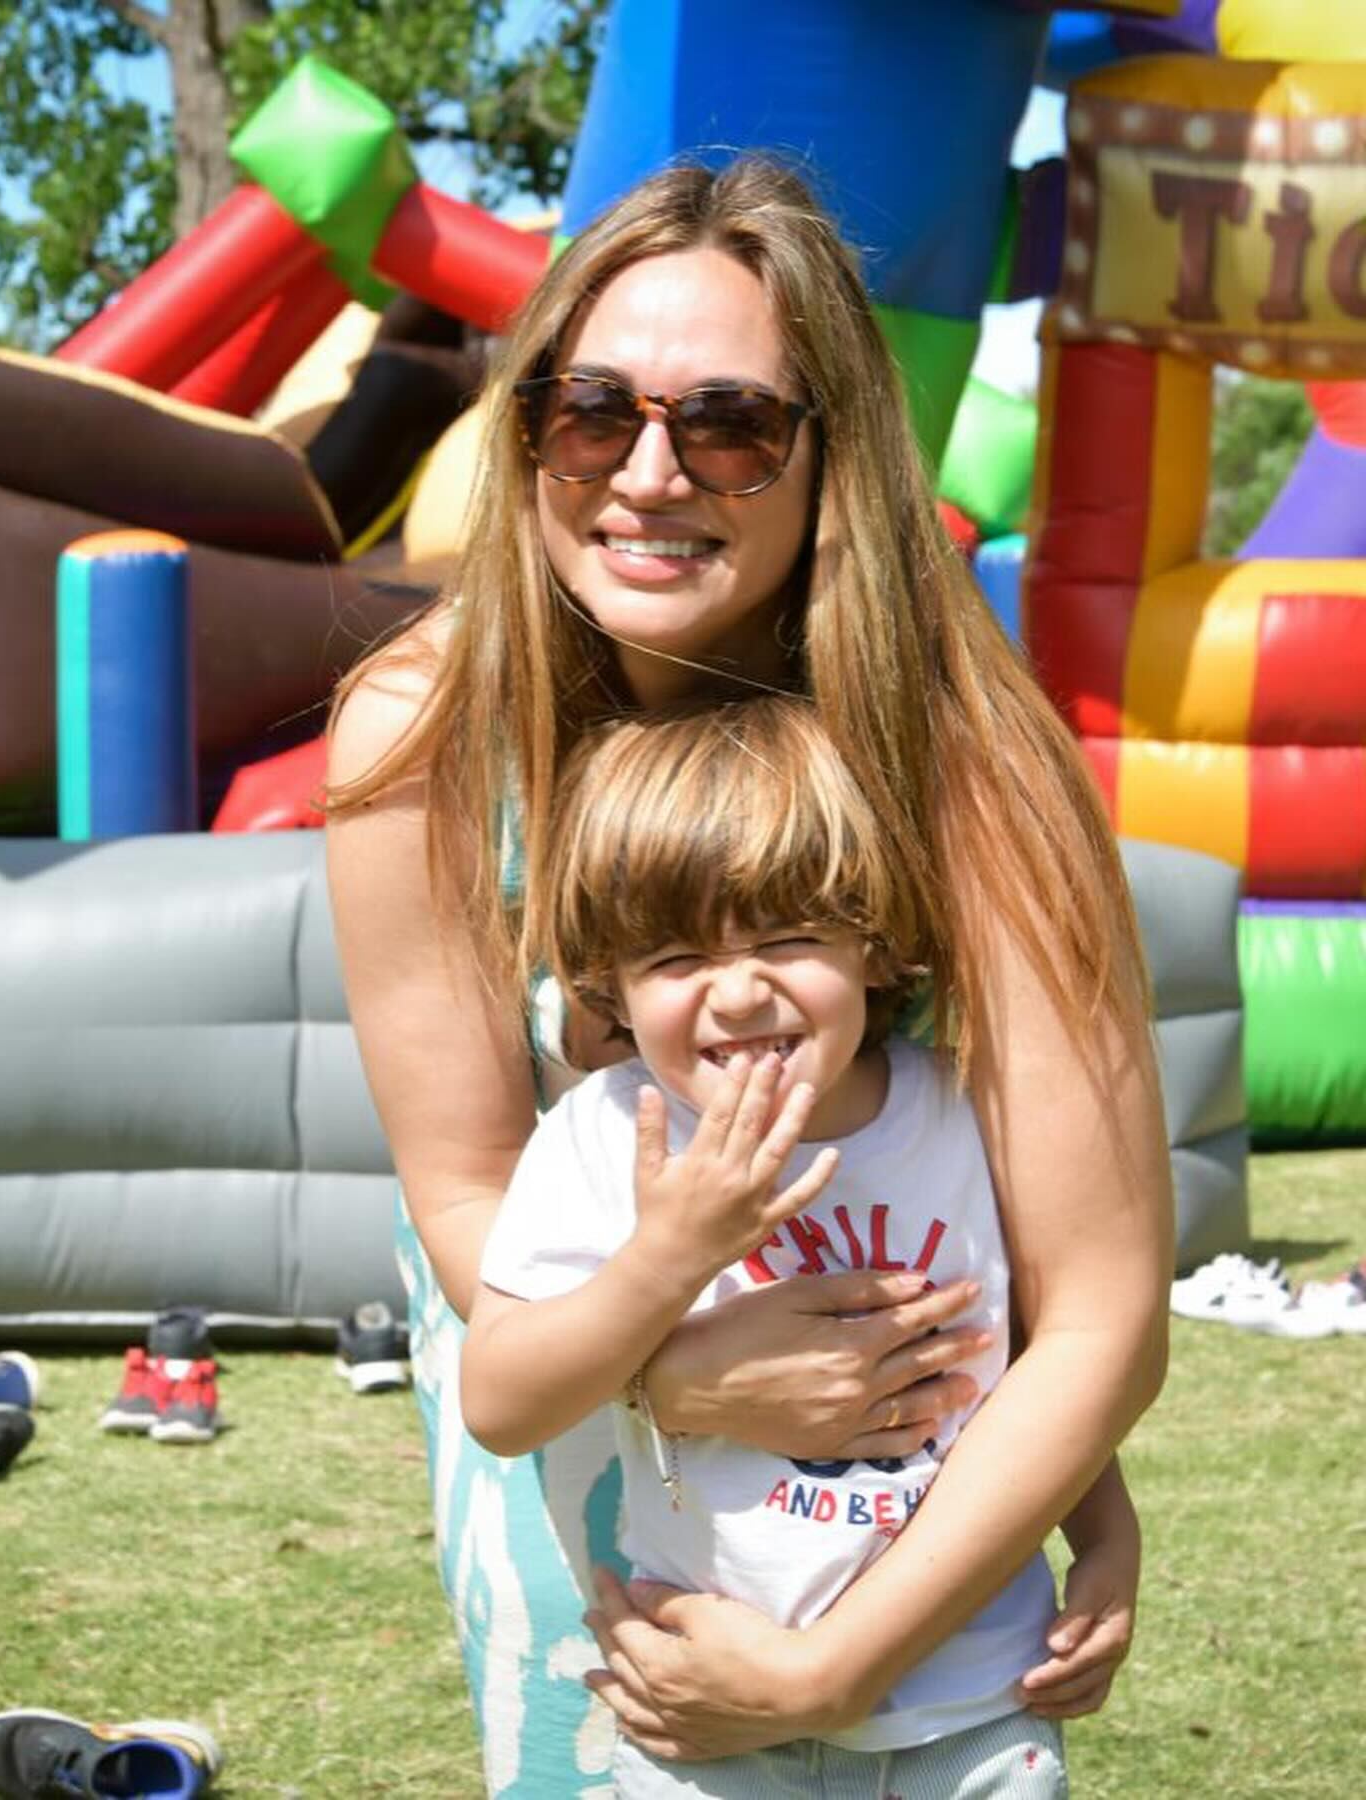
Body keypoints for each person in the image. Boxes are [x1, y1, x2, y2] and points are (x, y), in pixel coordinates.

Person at [325, 155, 1171, 1794]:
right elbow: (469, 1202)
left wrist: (831, 1668)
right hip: (580, 1476)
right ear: (529, 436)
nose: (649, 472)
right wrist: (675, 1366)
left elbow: (1105, 1295)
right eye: (591, 413)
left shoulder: (968, 762)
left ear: (826, 455)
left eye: (729, 424)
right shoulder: (418, 744)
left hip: (912, 1543)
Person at [462, 696, 1079, 1795]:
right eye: (673, 956)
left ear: (877, 945)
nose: (741, 992)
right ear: (609, 979)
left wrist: (1109, 1533)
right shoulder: (602, 1138)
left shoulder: (971, 1114)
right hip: (713, 1718)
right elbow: (502, 1404)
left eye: (791, 939)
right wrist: (669, 1255)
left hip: (973, 1707)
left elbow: (1046, 1356)